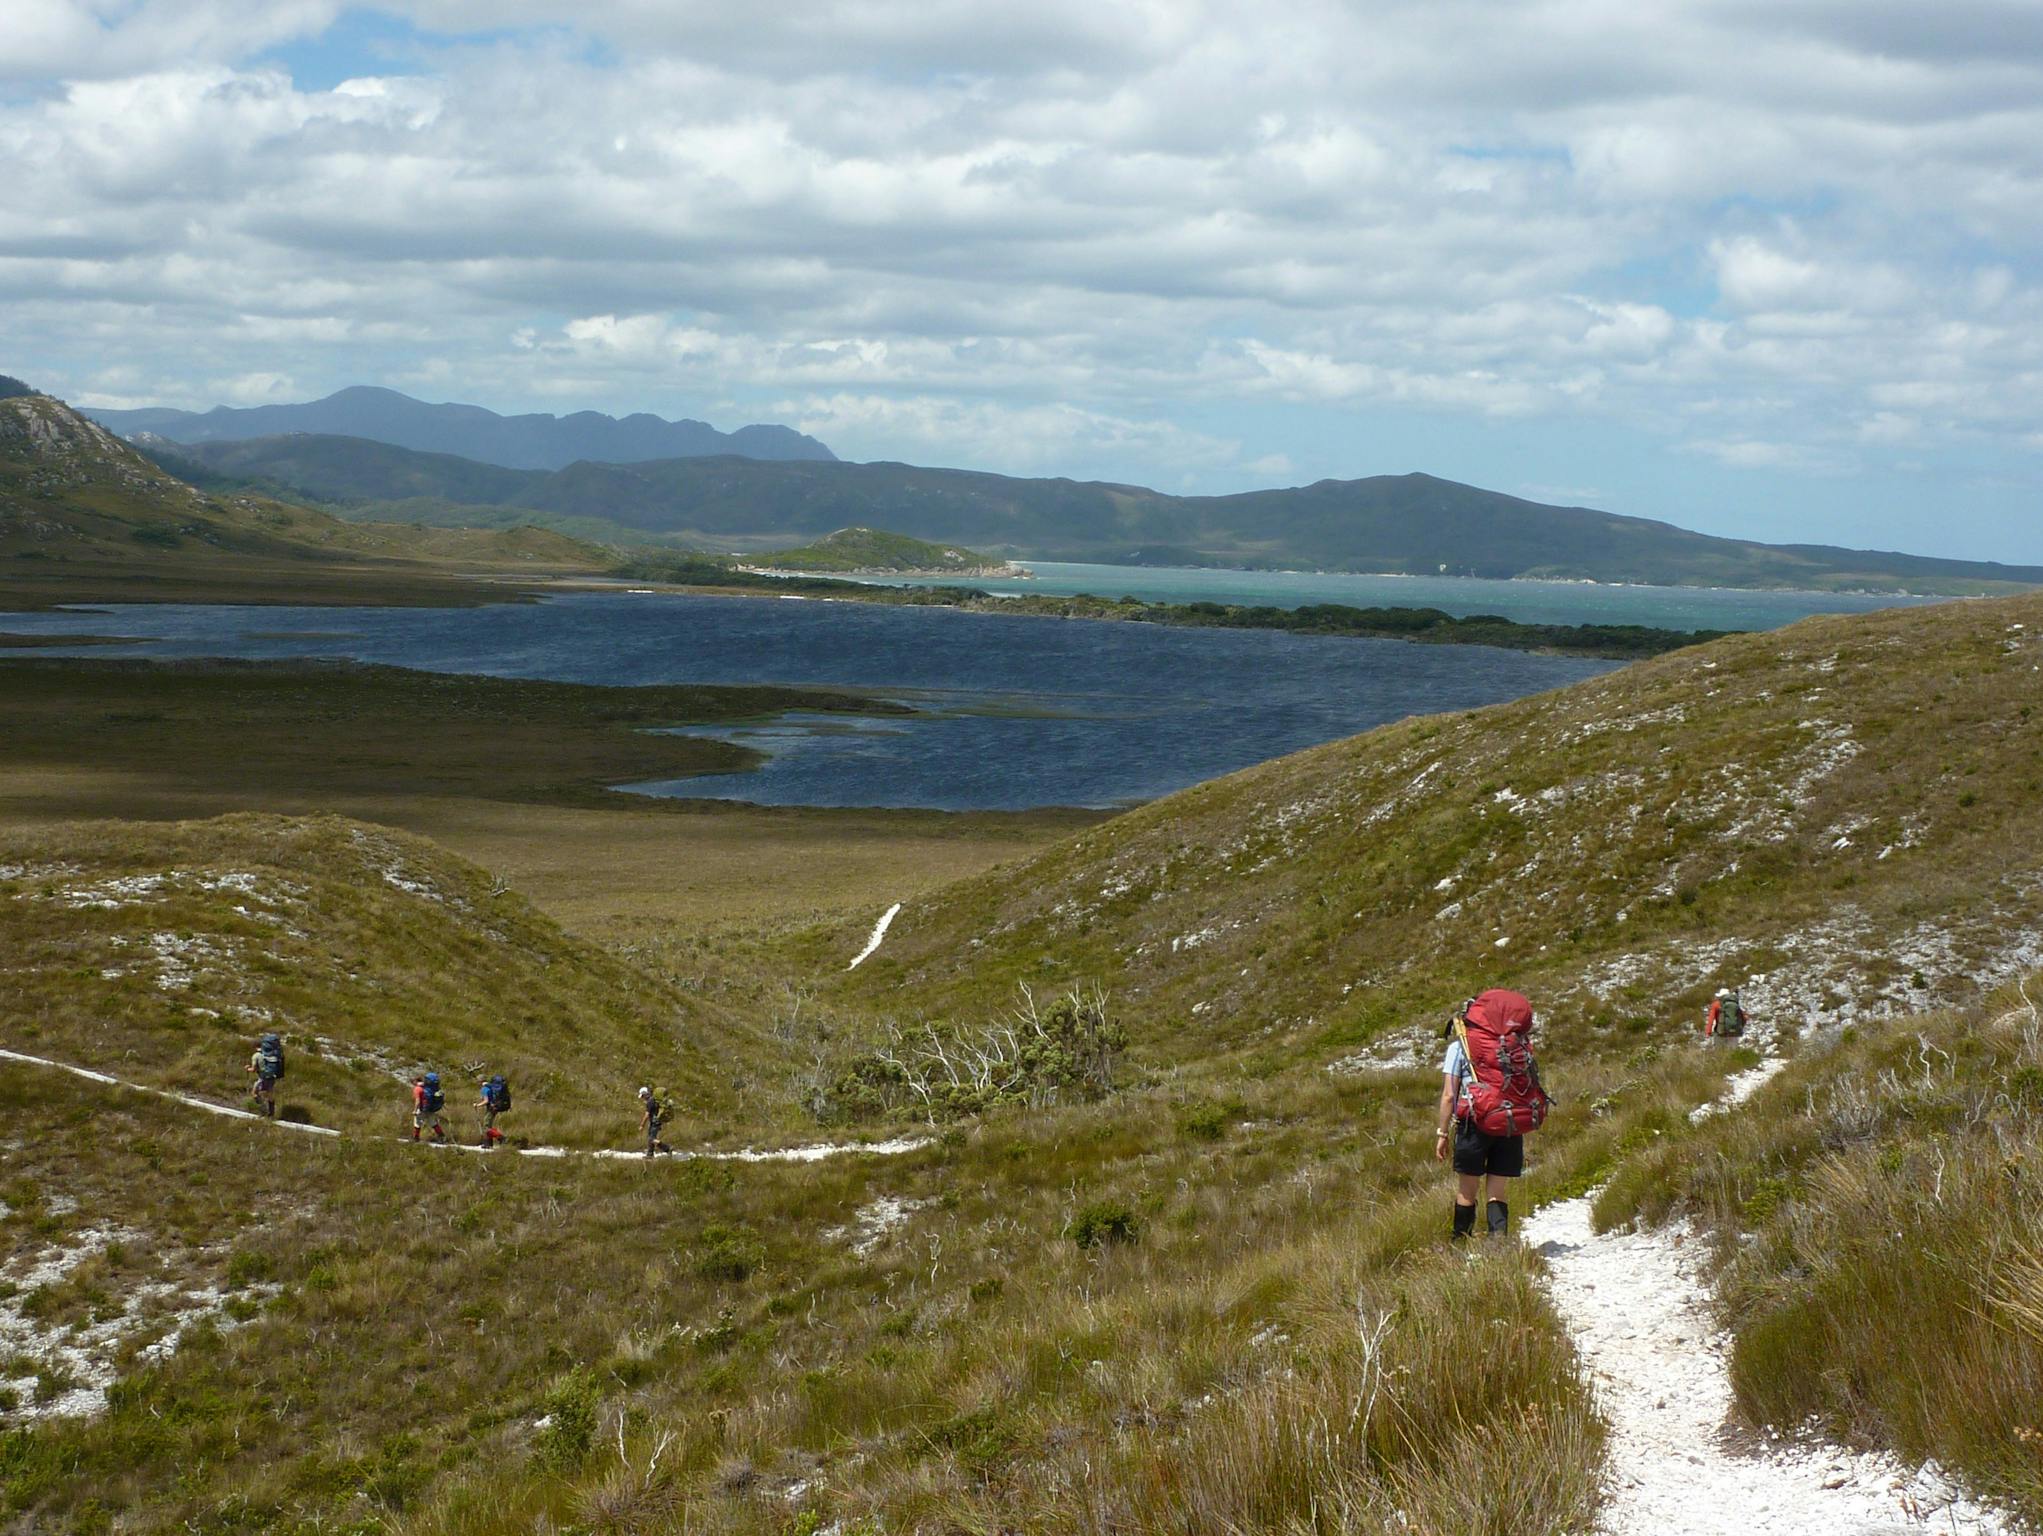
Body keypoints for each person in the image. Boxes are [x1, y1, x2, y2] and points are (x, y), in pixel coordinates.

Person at [1435, 1000, 1524, 1239]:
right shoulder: (1510, 1045)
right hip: (1507, 1121)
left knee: (1467, 1190)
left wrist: (1442, 1134)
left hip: (1473, 1124)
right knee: (1497, 1190)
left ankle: (1460, 1245)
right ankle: (1498, 1245)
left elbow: (1449, 1095)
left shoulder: (1460, 1048)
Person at [245, 1032, 283, 1119]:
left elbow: (254, 1069)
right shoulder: (273, 1054)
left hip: (262, 1078)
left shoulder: (256, 1055)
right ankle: (271, 1114)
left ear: (254, 1046)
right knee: (270, 1096)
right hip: (272, 1077)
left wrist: (247, 1069)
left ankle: (263, 1111)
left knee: (254, 1093)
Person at [476, 1074, 510, 1148]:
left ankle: (501, 1138)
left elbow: (486, 1101)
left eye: (477, 1081)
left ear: (480, 1081)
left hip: (491, 1108)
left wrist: (477, 1105)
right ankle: (488, 1144)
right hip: (495, 1107)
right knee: (488, 1125)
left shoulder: (484, 1089)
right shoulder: (490, 1087)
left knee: (486, 1127)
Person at [412, 1072, 447, 1142]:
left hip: (422, 1108)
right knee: (433, 1123)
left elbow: (418, 1101)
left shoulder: (418, 1089)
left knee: (417, 1123)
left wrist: (415, 1110)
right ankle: (442, 1136)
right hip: (431, 1108)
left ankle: (416, 1138)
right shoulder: (430, 1088)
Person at [637, 1086, 671, 1159]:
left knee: (651, 1139)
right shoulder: (654, 1100)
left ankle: (667, 1148)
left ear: (645, 1094)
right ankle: (650, 1154)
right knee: (651, 1137)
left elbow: (647, 1115)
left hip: (655, 1122)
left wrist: (642, 1125)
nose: (643, 1098)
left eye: (643, 1096)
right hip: (656, 1121)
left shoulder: (650, 1102)